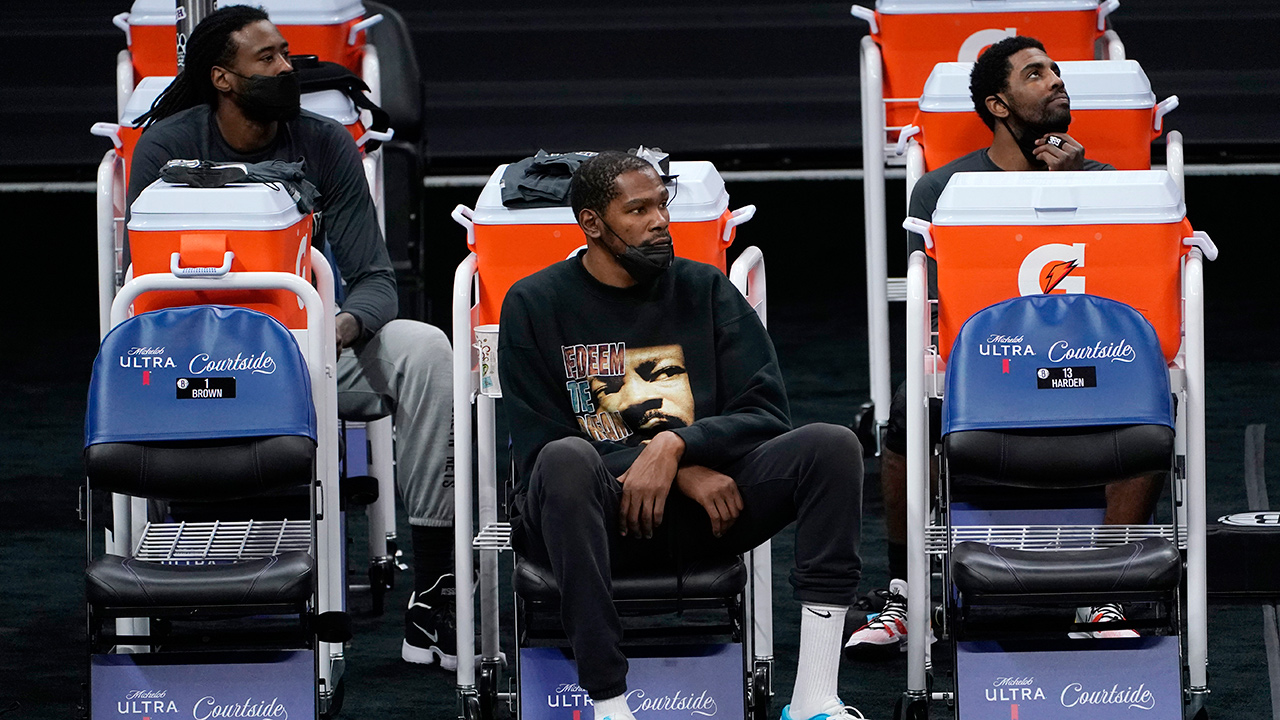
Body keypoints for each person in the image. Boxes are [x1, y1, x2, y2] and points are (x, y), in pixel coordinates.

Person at [123, 6, 459, 669]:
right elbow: (146, 287)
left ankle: (435, 596)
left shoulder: (325, 141)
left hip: (312, 353)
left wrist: (341, 325)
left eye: (285, 53)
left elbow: (375, 280)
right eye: (269, 59)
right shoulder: (166, 147)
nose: (288, 68)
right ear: (222, 78)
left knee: (427, 352)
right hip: (195, 360)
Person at [500, 151, 867, 720]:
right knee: (566, 458)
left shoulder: (705, 288)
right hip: (586, 518)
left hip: (703, 514)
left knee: (831, 446)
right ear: (592, 223)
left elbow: (767, 411)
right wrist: (663, 462)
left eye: (662, 206)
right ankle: (610, 704)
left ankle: (815, 695)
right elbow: (539, 441)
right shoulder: (534, 302)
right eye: (638, 209)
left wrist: (677, 448)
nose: (660, 221)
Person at [846, 35, 1162, 657]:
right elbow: (937, 306)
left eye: (1057, 71)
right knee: (910, 407)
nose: (1056, 82)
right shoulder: (941, 190)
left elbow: (1126, 293)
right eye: (1036, 74)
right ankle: (906, 594)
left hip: (1095, 363)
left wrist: (1072, 191)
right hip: (990, 366)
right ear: (997, 103)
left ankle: (1106, 592)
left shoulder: (1108, 183)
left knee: (1152, 398)